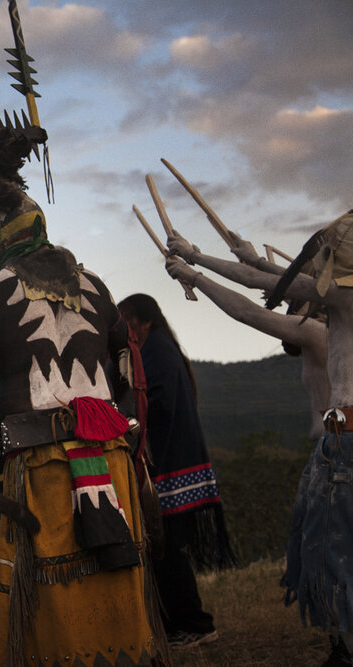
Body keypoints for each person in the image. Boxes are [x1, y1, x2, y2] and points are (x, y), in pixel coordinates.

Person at [0, 130, 163, 666]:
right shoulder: (94, 286)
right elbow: (127, 354)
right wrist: (128, 424)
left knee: (48, 582)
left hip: (42, 464)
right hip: (108, 458)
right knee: (114, 568)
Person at [168, 211, 353, 666]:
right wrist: (238, 256)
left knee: (332, 554)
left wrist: (194, 266)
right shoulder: (338, 301)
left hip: (346, 444)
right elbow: (273, 277)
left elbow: (253, 301)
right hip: (338, 443)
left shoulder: (339, 305)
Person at [117, 293, 236, 649]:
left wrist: (132, 430)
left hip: (169, 466)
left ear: (145, 322)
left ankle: (195, 624)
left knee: (168, 550)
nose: (125, 329)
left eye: (128, 321)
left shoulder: (157, 352)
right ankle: (177, 623)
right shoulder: (159, 350)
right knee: (165, 549)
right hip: (172, 462)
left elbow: (159, 405)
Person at [164, 231, 329, 438]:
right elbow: (279, 280)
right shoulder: (335, 317)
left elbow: (247, 311)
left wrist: (194, 273)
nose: (289, 301)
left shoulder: (318, 333)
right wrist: (255, 260)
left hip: (335, 445)